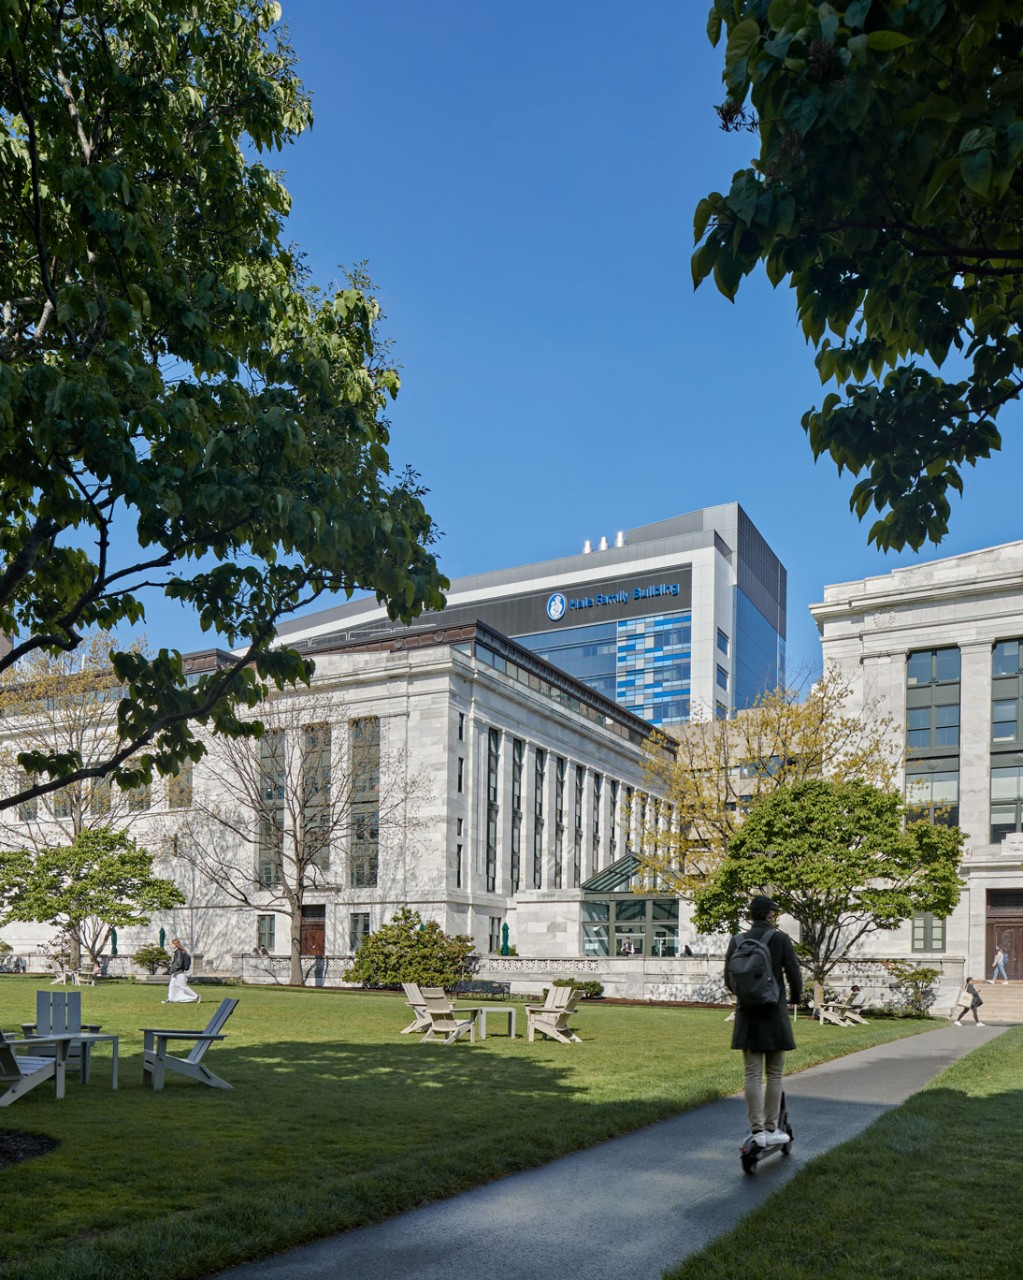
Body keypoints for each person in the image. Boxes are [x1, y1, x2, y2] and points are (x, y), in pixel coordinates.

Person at [724, 895, 803, 1148]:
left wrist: (748, 995)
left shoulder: (737, 940)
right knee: (774, 1073)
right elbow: (794, 974)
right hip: (773, 1011)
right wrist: (795, 999)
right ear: (770, 914)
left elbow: (729, 979)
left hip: (747, 1013)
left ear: (750, 915)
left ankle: (756, 1129)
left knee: (752, 1073)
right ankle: (771, 1128)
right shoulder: (779, 938)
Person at [164, 938, 201, 1004]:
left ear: (175, 944)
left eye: (172, 944)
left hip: (178, 972)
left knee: (183, 987)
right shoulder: (178, 951)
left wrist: (174, 969)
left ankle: (196, 996)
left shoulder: (178, 952)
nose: (171, 945)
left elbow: (179, 962)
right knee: (171, 986)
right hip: (176, 972)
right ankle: (170, 999)